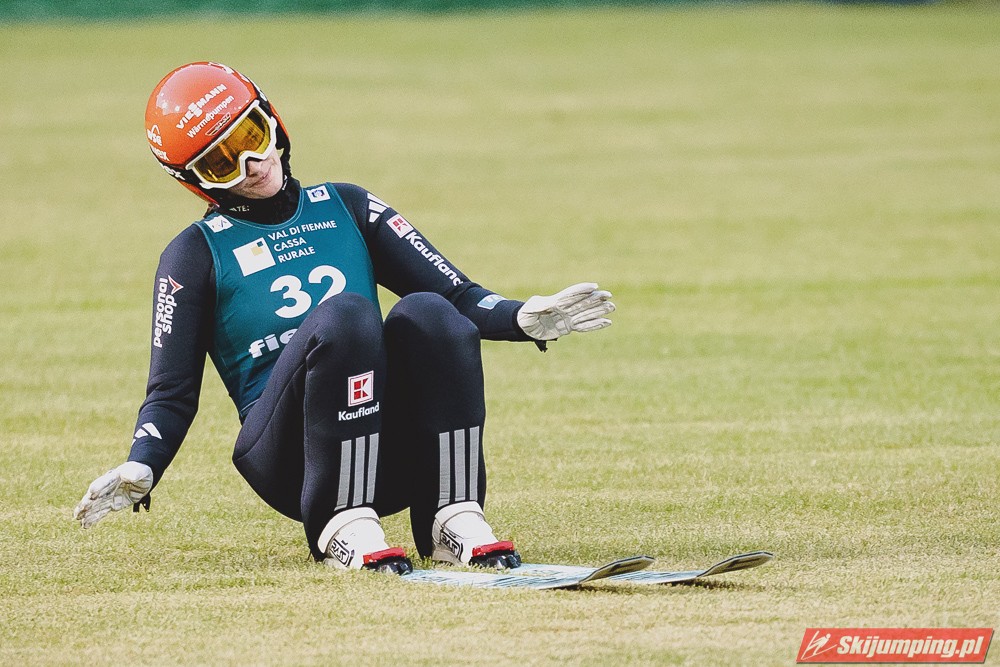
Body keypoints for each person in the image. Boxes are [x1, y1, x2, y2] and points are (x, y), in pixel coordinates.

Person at [73, 61, 615, 574]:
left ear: (273, 122)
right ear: (197, 181)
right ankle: (343, 523)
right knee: (349, 316)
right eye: (222, 162)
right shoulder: (193, 254)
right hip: (293, 460)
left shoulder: (348, 205)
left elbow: (458, 294)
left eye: (251, 137)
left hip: (388, 444)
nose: (252, 164)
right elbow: (170, 393)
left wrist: (522, 318)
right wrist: (144, 462)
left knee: (430, 312)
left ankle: (453, 513)